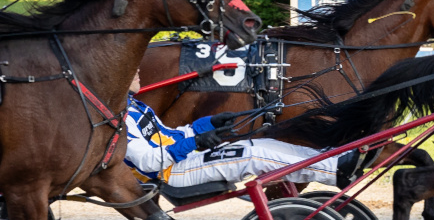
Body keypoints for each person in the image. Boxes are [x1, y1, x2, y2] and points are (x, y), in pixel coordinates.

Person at [124, 71, 360, 189]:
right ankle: (334, 171)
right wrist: (196, 143)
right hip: (172, 173)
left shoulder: (135, 105)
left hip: (183, 161)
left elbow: (171, 136)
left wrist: (209, 123)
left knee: (259, 144)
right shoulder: (120, 120)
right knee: (251, 155)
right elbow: (147, 162)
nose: (137, 70)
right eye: (130, 69)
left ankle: (332, 158)